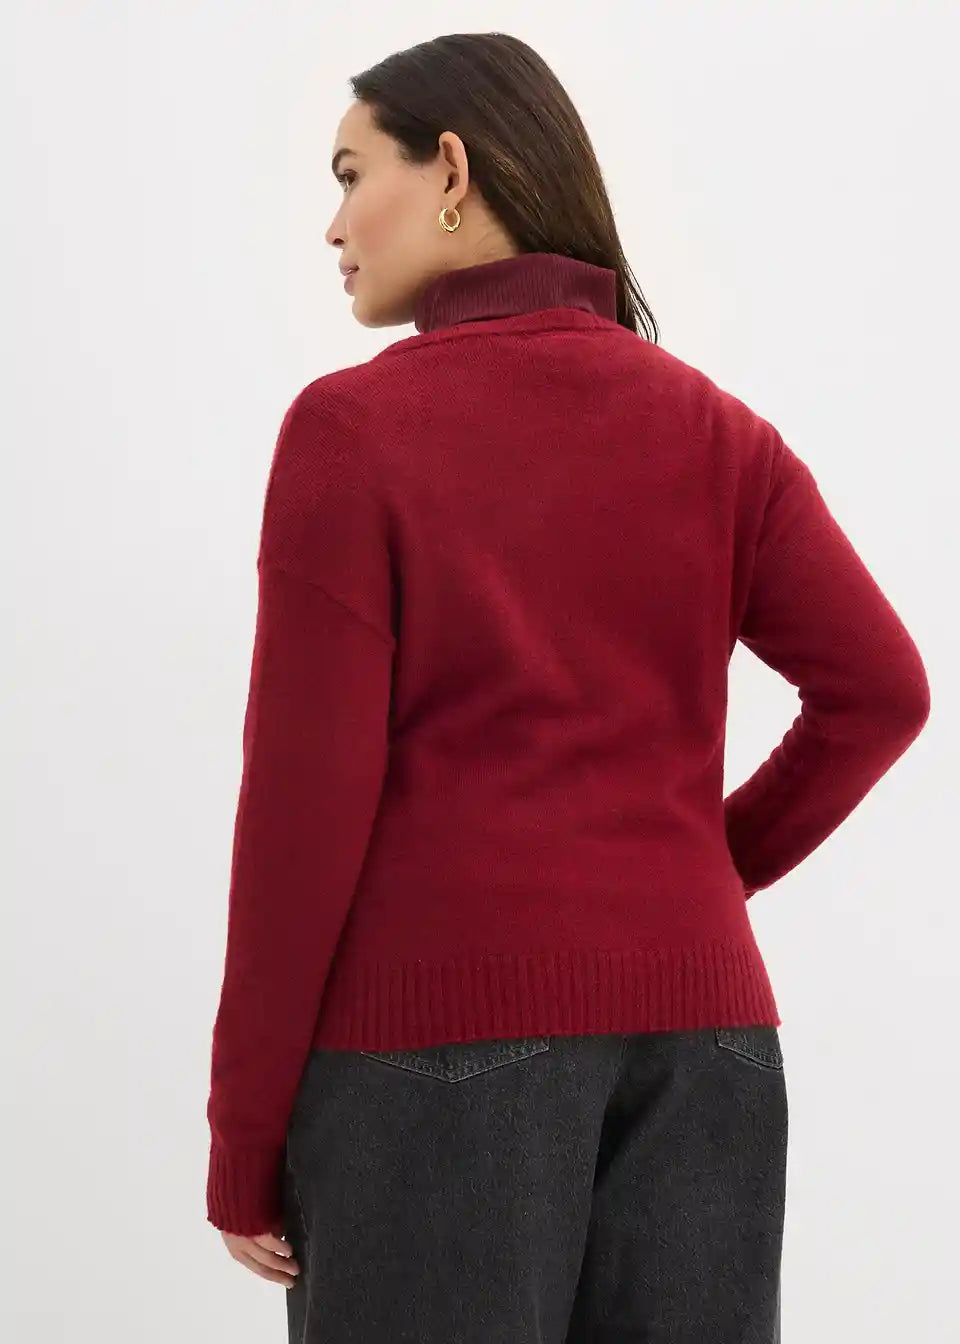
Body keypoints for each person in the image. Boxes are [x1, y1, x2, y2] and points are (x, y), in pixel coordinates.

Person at [204, 31, 930, 1344]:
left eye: (352, 173)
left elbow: (302, 818)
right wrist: (691, 875)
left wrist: (244, 1131)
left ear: (452, 171)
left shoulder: (352, 433)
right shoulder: (719, 433)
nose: (333, 224)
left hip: (430, 1052)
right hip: (708, 1047)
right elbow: (882, 692)